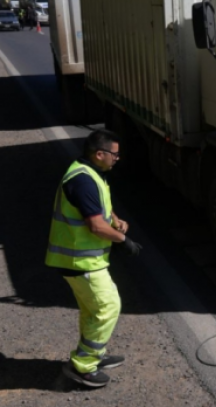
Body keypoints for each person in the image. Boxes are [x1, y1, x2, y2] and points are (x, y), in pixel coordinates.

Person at [46, 130, 143, 388]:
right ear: (99, 154)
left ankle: (94, 356)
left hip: (85, 259)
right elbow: (96, 227)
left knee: (92, 309)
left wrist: (116, 220)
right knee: (107, 306)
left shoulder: (91, 173)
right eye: (115, 154)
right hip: (79, 261)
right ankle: (82, 366)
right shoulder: (82, 180)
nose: (118, 158)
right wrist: (123, 241)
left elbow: (99, 207)